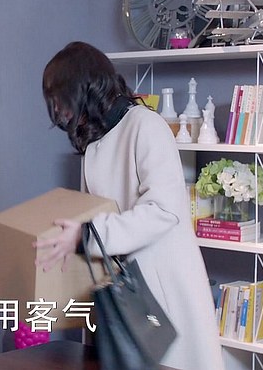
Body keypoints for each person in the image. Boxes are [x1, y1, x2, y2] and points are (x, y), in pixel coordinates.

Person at [35, 41, 224, 370]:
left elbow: (164, 210)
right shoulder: (95, 142)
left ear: (85, 88)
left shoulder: (145, 125)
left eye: (62, 97)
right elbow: (94, 214)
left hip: (163, 286)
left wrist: (87, 235)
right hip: (123, 291)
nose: (60, 110)